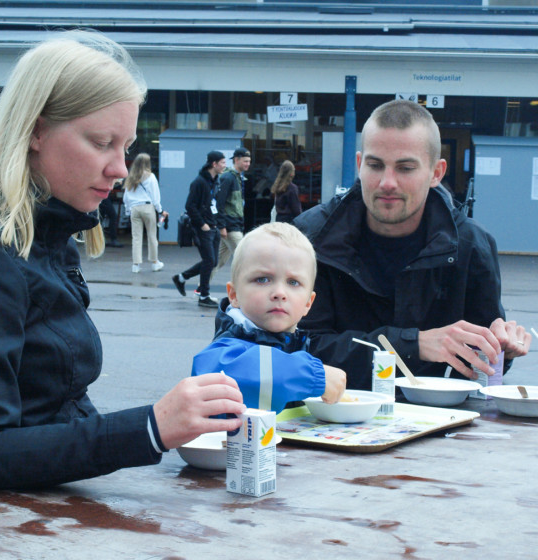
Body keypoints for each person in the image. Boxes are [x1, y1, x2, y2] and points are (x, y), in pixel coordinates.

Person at [0, 32, 244, 504]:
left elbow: (56, 408)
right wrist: (149, 428)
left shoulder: (47, 228)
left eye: (125, 146)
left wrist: (162, 428)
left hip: (29, 510)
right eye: (102, 143)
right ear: (35, 131)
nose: (120, 168)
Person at [294, 99, 531, 390]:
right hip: (333, 411)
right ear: (359, 165)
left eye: (405, 168)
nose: (387, 182)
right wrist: (412, 344)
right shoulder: (311, 237)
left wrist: (501, 347)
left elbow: (482, 366)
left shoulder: (471, 246)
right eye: (375, 165)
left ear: (436, 173)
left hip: (442, 414)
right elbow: (299, 348)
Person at [192, 222, 347, 413]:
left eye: (293, 282)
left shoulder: (297, 347)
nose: (279, 293)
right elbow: (221, 371)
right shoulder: (227, 348)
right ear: (234, 295)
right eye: (262, 279)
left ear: (308, 302)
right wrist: (313, 375)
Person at [172, 150, 225, 309]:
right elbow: (190, 206)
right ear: (214, 164)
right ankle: (204, 296)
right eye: (222, 163)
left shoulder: (215, 181)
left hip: (213, 226)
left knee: (213, 261)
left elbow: (214, 204)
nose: (224, 166)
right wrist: (202, 224)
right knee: (209, 261)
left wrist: (217, 223)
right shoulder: (199, 182)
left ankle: (181, 278)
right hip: (203, 228)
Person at [209, 147, 251, 285]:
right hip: (230, 226)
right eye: (245, 161)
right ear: (236, 160)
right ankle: (242, 290)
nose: (248, 164)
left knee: (218, 261)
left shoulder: (236, 177)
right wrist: (221, 226)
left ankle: (201, 288)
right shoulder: (228, 178)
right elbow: (219, 203)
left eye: (249, 161)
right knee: (245, 259)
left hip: (233, 225)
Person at [123, 152, 167, 272]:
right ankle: (155, 262)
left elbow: (126, 197)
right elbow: (155, 196)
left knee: (136, 237)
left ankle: (136, 265)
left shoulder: (131, 177)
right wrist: (160, 210)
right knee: (152, 235)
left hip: (134, 208)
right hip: (147, 207)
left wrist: (128, 210)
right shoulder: (151, 177)